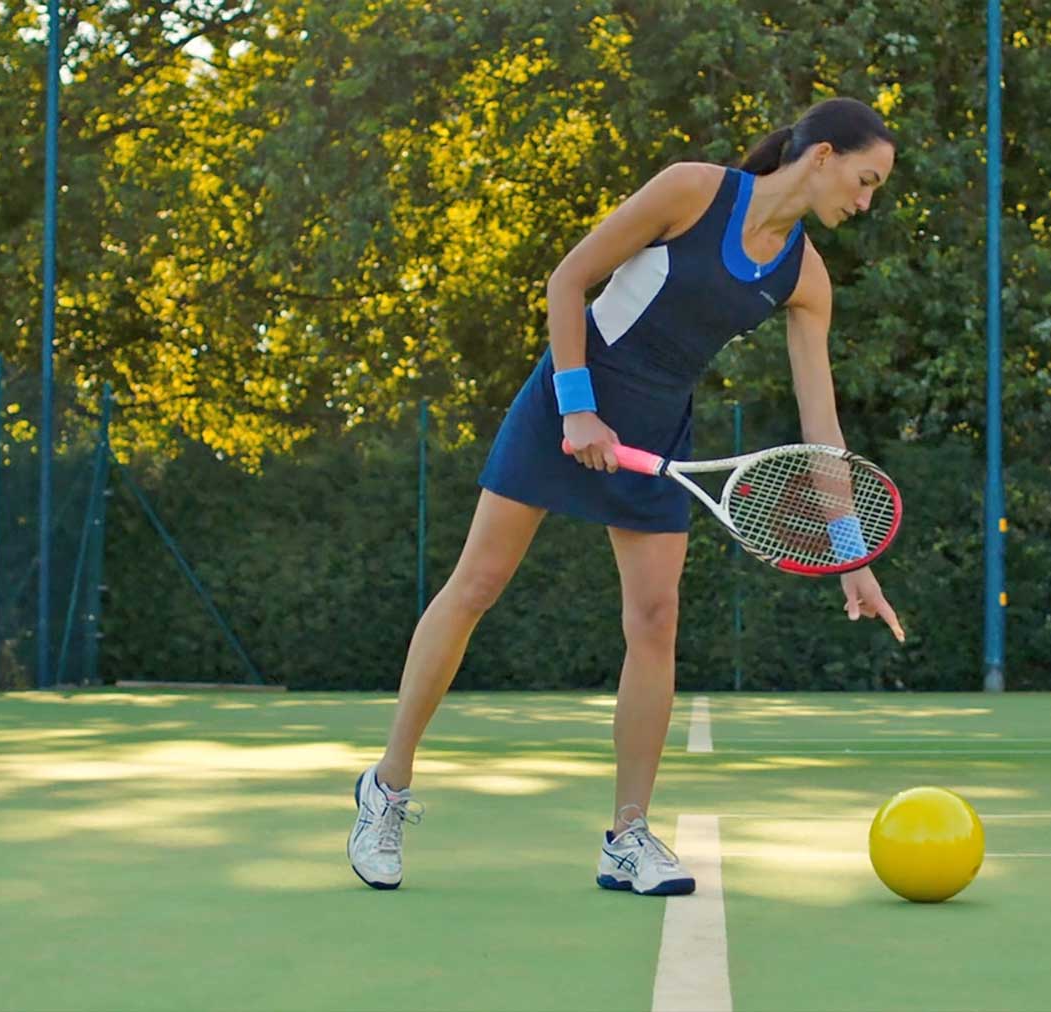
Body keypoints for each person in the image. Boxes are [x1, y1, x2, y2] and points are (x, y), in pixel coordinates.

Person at [349, 97, 906, 896]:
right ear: (820, 155)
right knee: (476, 585)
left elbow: (822, 432)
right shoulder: (692, 191)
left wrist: (853, 557)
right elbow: (568, 279)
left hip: (656, 439)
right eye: (864, 178)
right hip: (566, 401)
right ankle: (386, 791)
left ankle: (628, 836)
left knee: (655, 622)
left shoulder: (804, 278)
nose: (865, 200)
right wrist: (577, 406)